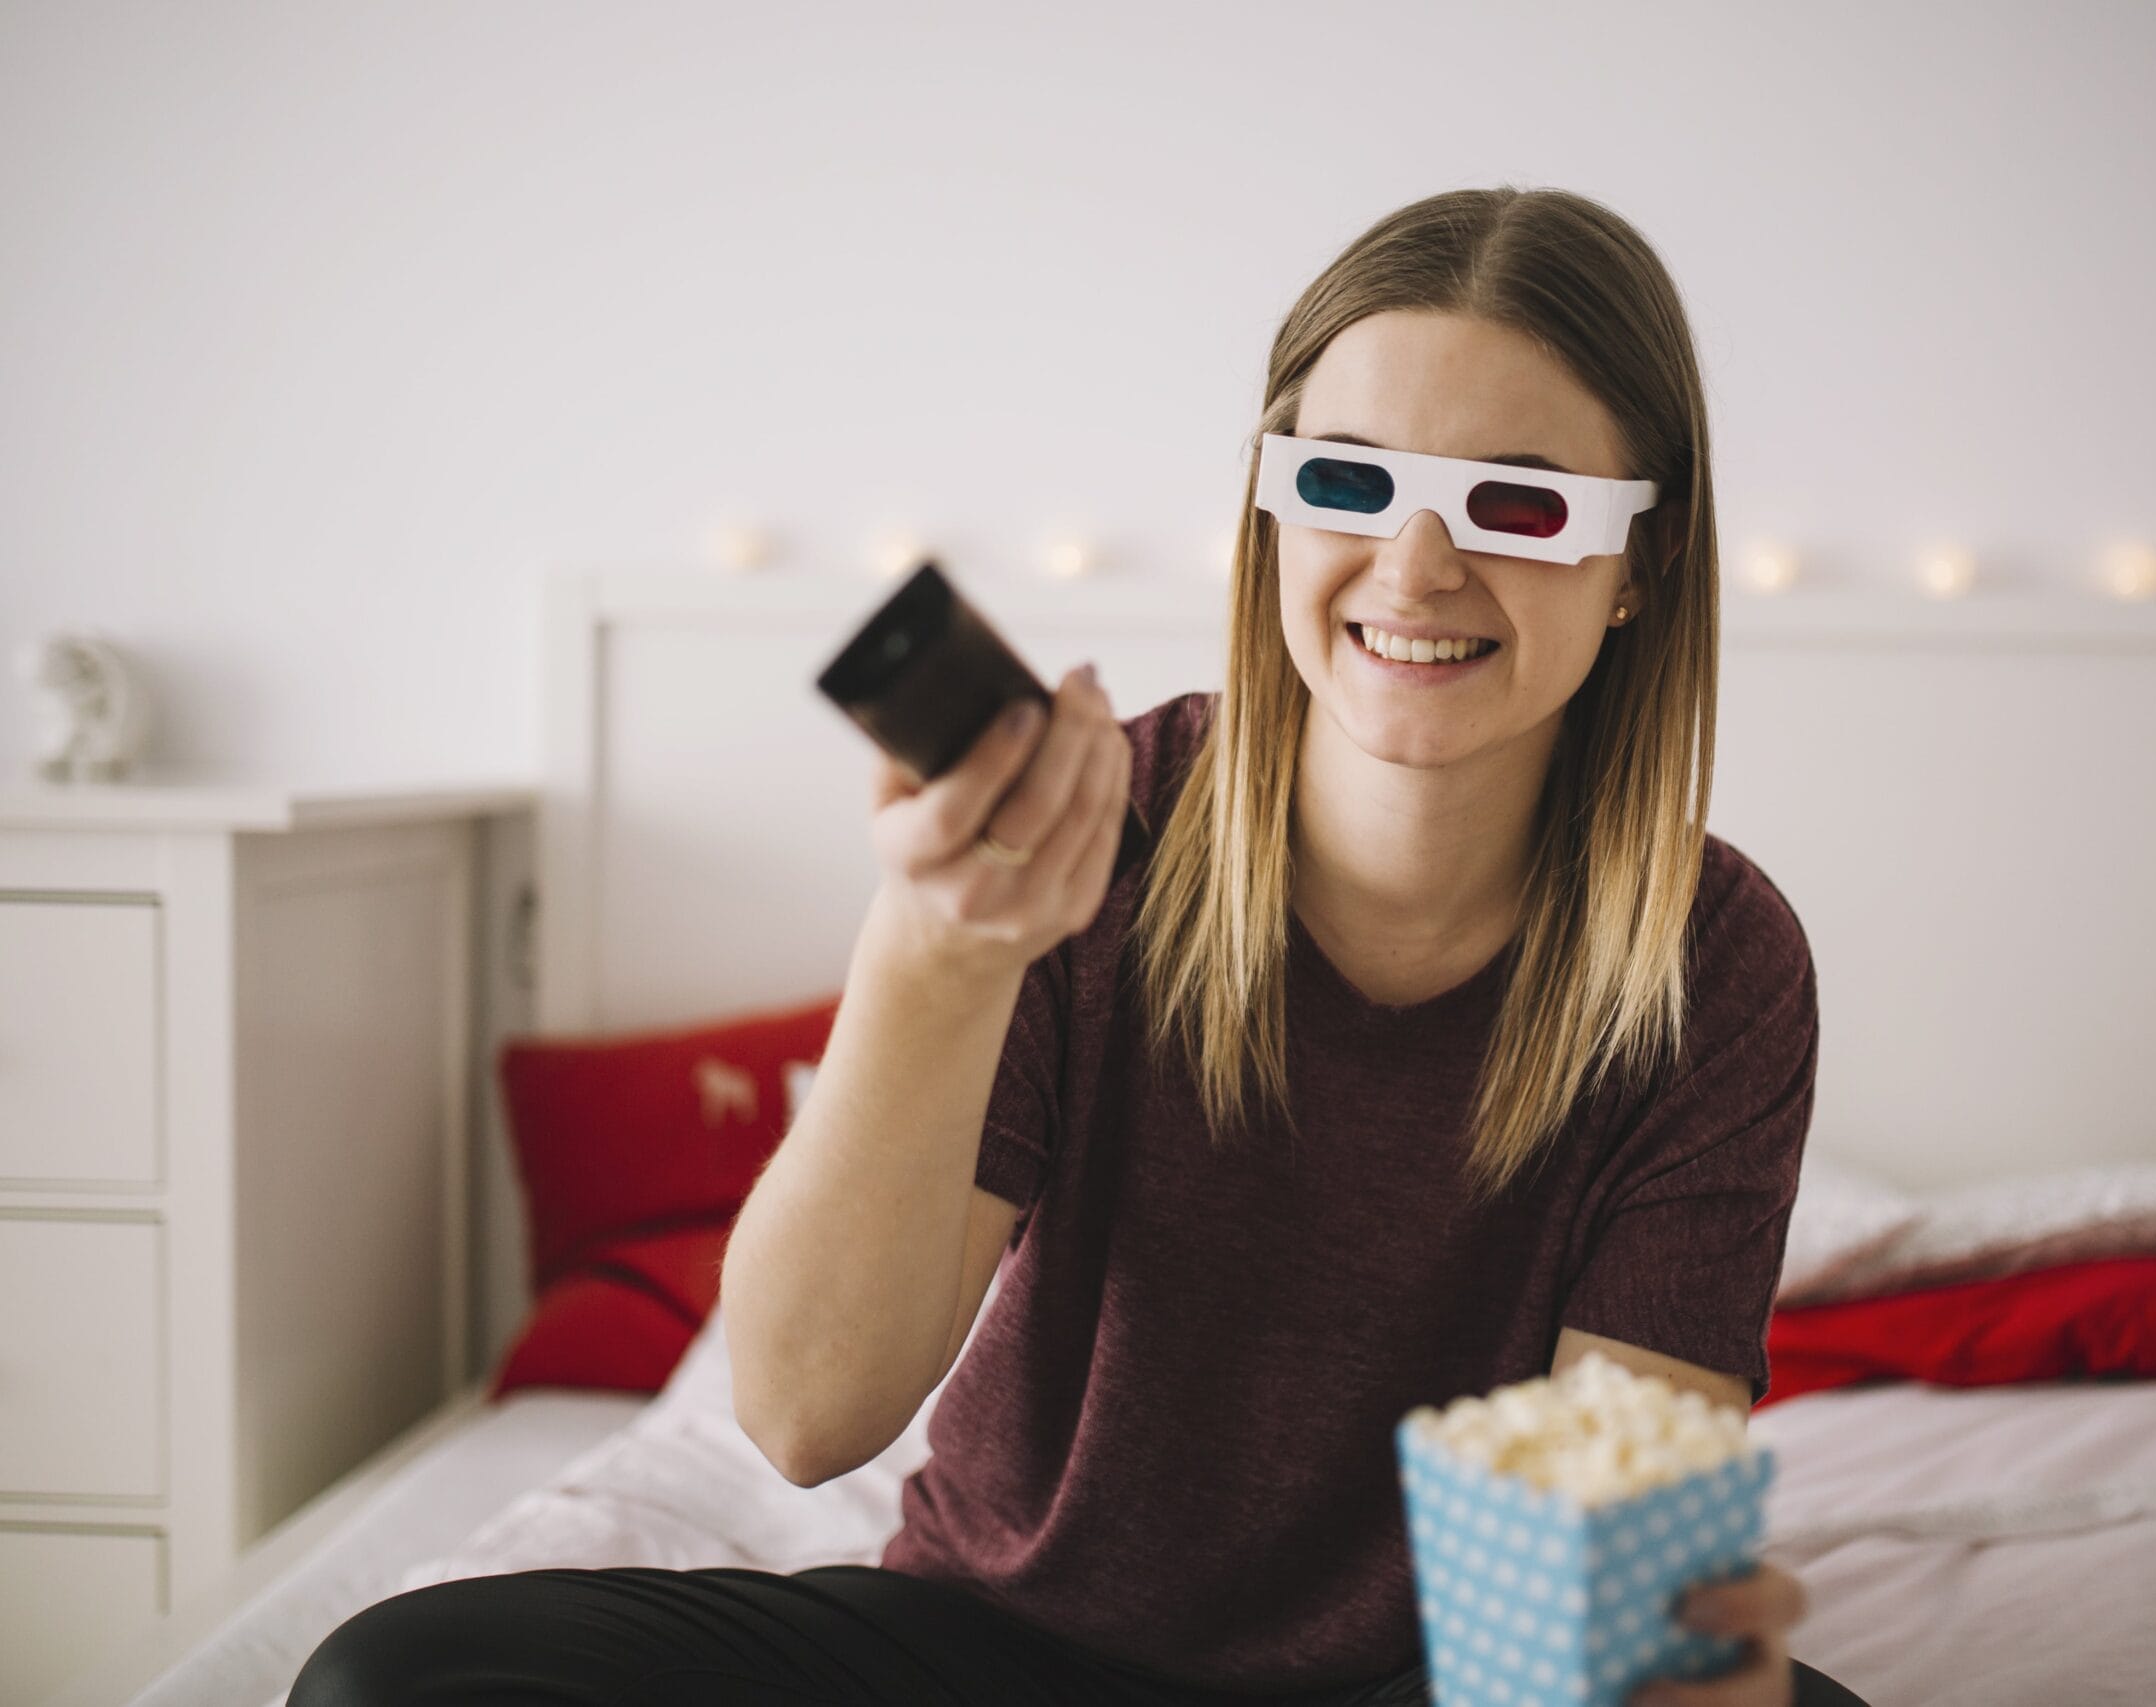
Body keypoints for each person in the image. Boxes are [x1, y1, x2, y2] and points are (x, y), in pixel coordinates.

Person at [290, 185, 1873, 1707]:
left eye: (1519, 504)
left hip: (1437, 1679)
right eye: (1347, 481)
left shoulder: (1714, 965)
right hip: (995, 1653)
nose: (1416, 567)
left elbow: (1603, 1599)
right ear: (1272, 505)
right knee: (400, 1677)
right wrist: (940, 950)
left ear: (1641, 568)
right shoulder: (1101, 834)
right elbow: (799, 1414)